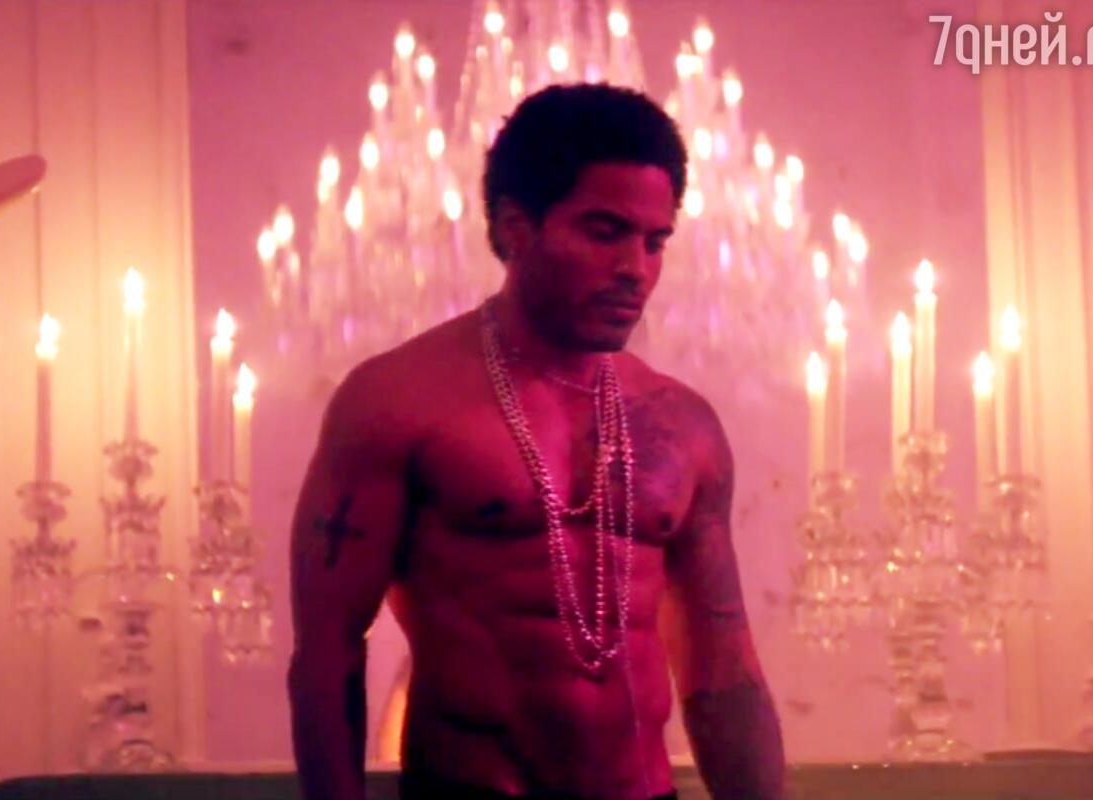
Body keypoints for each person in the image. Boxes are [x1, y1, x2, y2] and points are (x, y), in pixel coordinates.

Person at [287, 83, 785, 800]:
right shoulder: (398, 401)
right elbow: (327, 656)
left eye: (656, 241)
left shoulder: (683, 426)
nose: (636, 269)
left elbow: (724, 671)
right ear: (517, 228)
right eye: (605, 232)